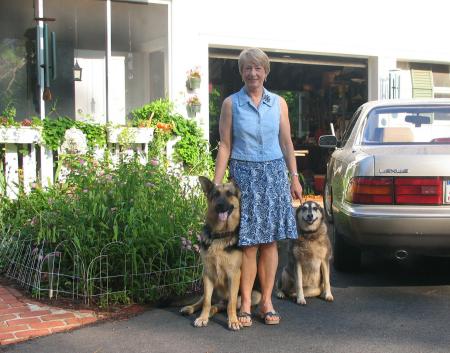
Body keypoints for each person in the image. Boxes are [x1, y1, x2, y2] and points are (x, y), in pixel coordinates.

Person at [213, 47, 303, 326]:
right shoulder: (231, 104)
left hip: (274, 175)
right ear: (241, 72)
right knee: (249, 244)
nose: (252, 73)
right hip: (244, 176)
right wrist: (217, 184)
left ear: (265, 72)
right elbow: (225, 145)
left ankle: (266, 301)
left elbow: (287, 143)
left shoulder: (279, 103)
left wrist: (294, 177)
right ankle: (244, 303)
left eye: (257, 68)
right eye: (247, 68)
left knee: (270, 243)